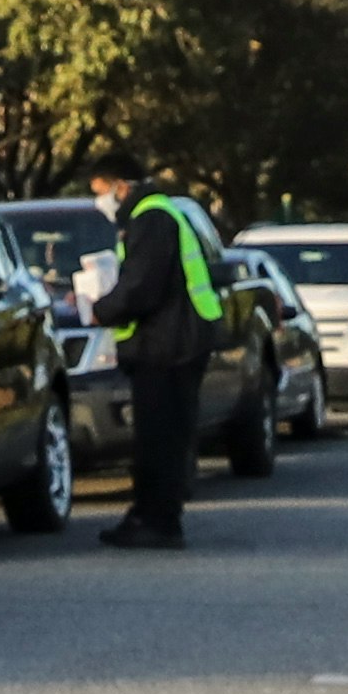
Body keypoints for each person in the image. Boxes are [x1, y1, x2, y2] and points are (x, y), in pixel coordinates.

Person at [94, 168, 232, 546]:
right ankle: (145, 514)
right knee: (156, 435)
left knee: (163, 436)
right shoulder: (154, 214)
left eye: (101, 190)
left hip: (171, 345)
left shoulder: (153, 218)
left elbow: (142, 287)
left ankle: (161, 521)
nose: (101, 200)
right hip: (167, 341)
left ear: (122, 185)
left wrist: (101, 310)